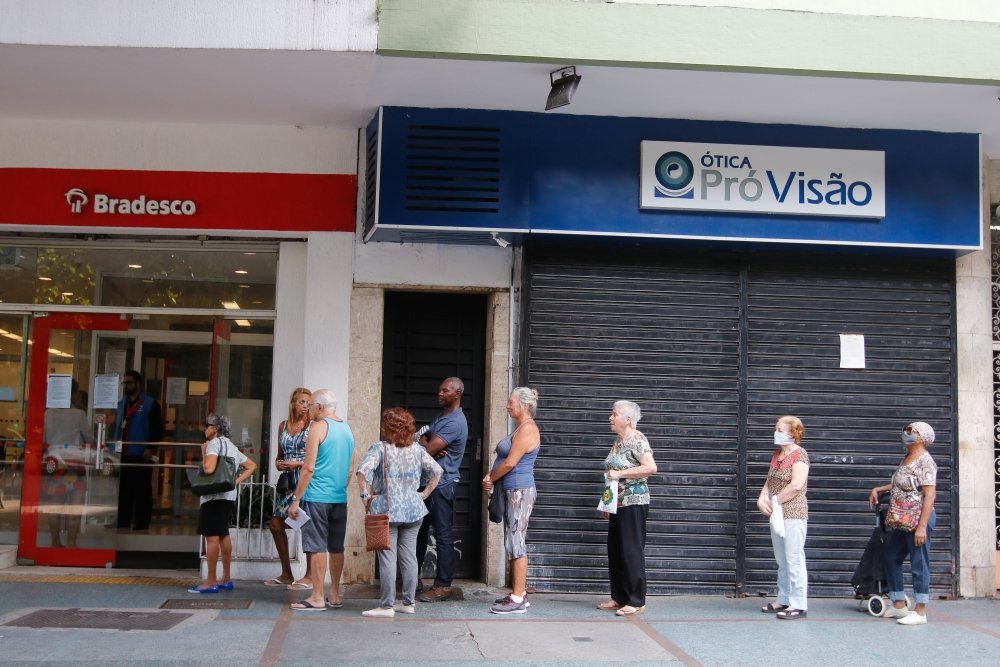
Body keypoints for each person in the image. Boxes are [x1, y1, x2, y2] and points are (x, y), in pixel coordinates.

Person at [356, 407, 443, 617]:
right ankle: (408, 602)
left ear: (387, 427)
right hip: (413, 510)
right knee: (409, 557)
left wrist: (365, 497)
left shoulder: (379, 448)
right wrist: (423, 494)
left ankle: (386, 606)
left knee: (387, 557)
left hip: (387, 510)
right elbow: (437, 472)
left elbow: (362, 473)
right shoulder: (417, 450)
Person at [288, 389, 355, 611]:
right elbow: (350, 469)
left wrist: (296, 499)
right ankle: (334, 594)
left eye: (312, 406)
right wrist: (339, 489)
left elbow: (308, 467)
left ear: (320, 407)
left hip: (316, 497)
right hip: (339, 497)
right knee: (336, 546)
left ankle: (317, 596)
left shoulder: (318, 427)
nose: (309, 410)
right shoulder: (347, 429)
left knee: (317, 546)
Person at [868, 421, 937, 626]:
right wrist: (880, 489)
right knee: (891, 556)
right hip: (904, 519)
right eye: (906, 430)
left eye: (911, 431)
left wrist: (922, 526)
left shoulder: (925, 461)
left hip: (918, 519)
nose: (906, 433)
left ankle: (920, 610)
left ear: (922, 437)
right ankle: (899, 604)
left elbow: (930, 495)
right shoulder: (908, 457)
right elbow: (902, 482)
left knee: (919, 563)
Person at [482, 387, 541, 615]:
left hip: (519, 491)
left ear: (524, 405)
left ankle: (518, 597)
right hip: (512, 489)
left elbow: (509, 463)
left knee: (516, 541)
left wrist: (490, 477)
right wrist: (492, 479)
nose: (507, 405)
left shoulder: (528, 430)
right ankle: (519, 593)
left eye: (510, 402)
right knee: (512, 540)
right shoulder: (520, 428)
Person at [598, 400, 657, 617]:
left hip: (634, 502)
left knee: (631, 550)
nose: (610, 418)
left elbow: (651, 467)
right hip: (618, 503)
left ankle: (636, 600)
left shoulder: (637, 439)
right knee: (615, 549)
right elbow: (611, 473)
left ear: (627, 419)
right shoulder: (619, 441)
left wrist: (620, 474)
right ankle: (619, 596)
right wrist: (607, 503)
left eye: (614, 414)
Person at [188, 413, 257, 593]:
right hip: (228, 496)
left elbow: (209, 469)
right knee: (223, 534)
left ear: (215, 428)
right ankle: (226, 578)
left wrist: (204, 453)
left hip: (213, 496)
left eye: (207, 425)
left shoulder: (213, 444)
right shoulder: (231, 446)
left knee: (211, 537)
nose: (205, 428)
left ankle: (210, 581)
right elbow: (251, 466)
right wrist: (236, 481)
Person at [416, 377, 469, 603]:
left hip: (442, 484)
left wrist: (427, 446)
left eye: (445, 391)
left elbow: (426, 448)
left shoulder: (455, 421)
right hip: (429, 484)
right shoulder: (441, 417)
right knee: (418, 531)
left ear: (456, 394)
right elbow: (422, 439)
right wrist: (425, 444)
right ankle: (413, 578)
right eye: (439, 389)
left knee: (443, 535)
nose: (439, 393)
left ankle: (442, 586)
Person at [757, 415, 810, 620]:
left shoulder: (800, 455)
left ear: (793, 433)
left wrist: (775, 501)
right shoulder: (777, 455)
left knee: (794, 557)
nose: (776, 432)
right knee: (782, 559)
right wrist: (762, 500)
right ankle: (784, 598)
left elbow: (796, 485)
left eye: (780, 429)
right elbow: (770, 481)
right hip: (777, 511)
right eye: (776, 428)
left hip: (793, 511)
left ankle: (799, 604)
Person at [263, 387, 313, 590]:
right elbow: (278, 455)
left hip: (305, 480)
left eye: (308, 402)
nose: (305, 406)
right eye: (301, 401)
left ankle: (310, 575)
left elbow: (316, 459)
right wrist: (279, 463)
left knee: (308, 526)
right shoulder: (283, 426)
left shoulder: (313, 426)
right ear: (293, 403)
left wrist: (297, 464)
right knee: (276, 524)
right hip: (287, 482)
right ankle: (286, 573)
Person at [43, 385, 95, 547]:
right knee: (75, 504)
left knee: (55, 504)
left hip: (54, 462)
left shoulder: (48, 413)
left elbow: (44, 437)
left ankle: (55, 542)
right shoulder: (79, 414)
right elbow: (89, 438)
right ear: (72, 394)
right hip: (74, 463)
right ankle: (72, 544)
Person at [114, 370, 164, 530]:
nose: (126, 386)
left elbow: (157, 429)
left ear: (138, 383)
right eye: (124, 383)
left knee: (142, 490)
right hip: (124, 453)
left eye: (129, 383)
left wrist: (151, 448)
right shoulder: (122, 404)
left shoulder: (150, 404)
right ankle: (123, 521)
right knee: (124, 490)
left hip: (142, 454)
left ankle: (142, 522)